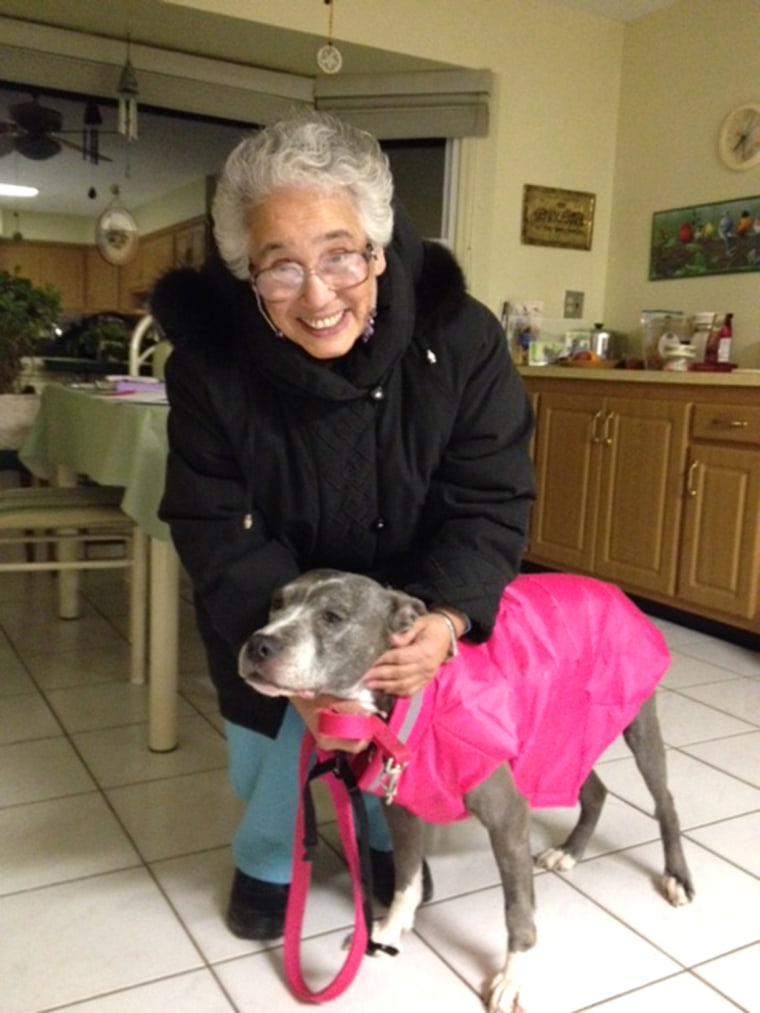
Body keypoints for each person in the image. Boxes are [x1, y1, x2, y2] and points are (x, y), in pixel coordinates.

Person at [152, 111, 534, 941]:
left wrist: (443, 614)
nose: (317, 293)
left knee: (395, 756)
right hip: (273, 605)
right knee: (273, 752)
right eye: (280, 267)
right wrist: (301, 649)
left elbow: (490, 497)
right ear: (245, 272)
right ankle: (267, 851)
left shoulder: (461, 339)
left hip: (406, 616)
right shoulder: (210, 368)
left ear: (379, 247)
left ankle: (382, 835)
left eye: (339, 254)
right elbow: (212, 523)